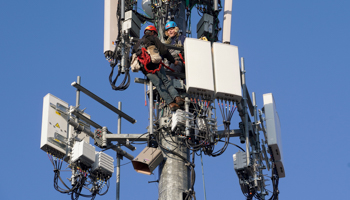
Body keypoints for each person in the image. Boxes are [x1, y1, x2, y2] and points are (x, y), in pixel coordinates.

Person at [132, 25, 184, 111]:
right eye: (155, 34)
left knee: (159, 85)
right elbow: (164, 50)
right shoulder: (152, 38)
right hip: (156, 65)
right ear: (152, 32)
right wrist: (173, 61)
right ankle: (177, 98)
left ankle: (171, 104)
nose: (156, 36)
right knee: (166, 81)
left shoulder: (137, 44)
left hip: (146, 70)